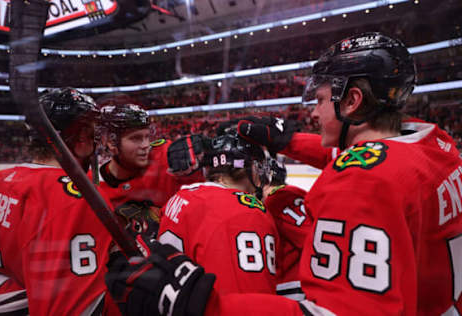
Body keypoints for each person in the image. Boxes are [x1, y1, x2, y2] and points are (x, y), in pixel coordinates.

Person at [104, 32, 462, 316]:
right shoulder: (434, 144)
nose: (314, 112)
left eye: (321, 100)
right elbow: (381, 159)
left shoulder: (359, 182)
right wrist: (288, 140)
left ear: (351, 101)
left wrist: (205, 307)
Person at [0, 88, 121, 315]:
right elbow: (70, 307)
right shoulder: (77, 198)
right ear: (81, 137)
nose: (97, 143)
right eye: (92, 133)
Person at [157, 130, 279, 295]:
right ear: (243, 168)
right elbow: (248, 297)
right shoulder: (243, 211)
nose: (261, 172)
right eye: (258, 165)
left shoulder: (181, 197)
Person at [95, 104, 205, 239]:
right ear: (112, 143)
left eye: (147, 136)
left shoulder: (164, 155)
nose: (146, 145)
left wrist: (203, 155)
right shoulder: (95, 189)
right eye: (136, 138)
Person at [262, 158, 310, 301]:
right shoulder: (286, 197)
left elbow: (311, 238)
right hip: (294, 285)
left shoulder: (279, 199)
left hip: (289, 286)